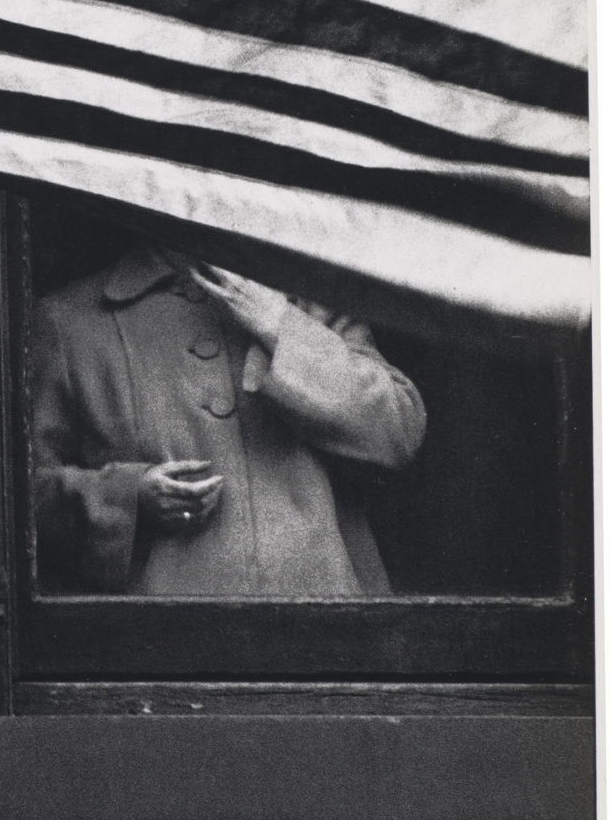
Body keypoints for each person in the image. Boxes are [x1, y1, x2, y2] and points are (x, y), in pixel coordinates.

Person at [29, 239, 426, 595]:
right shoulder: (71, 320)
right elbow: (21, 494)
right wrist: (127, 497)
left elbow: (398, 431)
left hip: (324, 630)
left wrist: (280, 325)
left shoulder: (310, 299)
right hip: (165, 640)